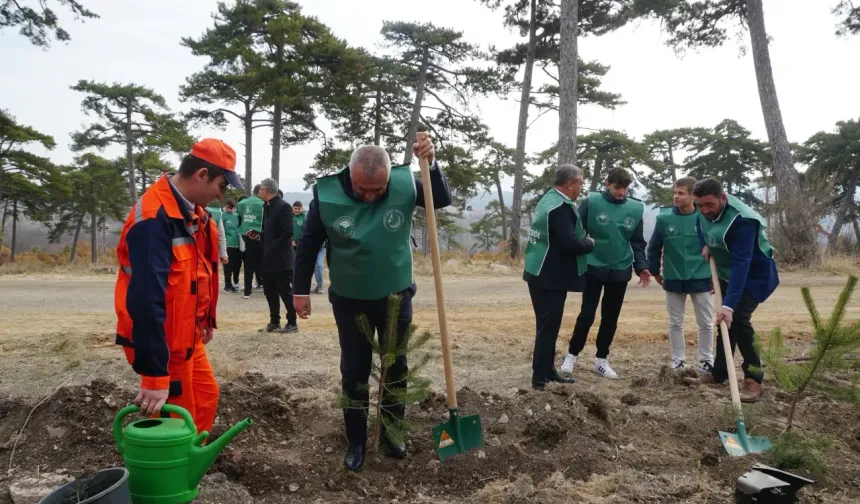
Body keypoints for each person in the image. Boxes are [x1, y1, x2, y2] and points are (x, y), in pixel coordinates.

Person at [292, 135, 451, 472]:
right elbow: (309, 243)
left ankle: (393, 432)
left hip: (395, 294)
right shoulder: (328, 193)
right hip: (350, 299)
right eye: (362, 189)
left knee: (395, 366)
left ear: (389, 177)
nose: (369, 196)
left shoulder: (406, 183)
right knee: (354, 371)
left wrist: (432, 165)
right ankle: (356, 441)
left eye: (377, 190)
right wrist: (300, 290)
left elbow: (440, 200)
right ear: (350, 176)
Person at [114, 138, 244, 432]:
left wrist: (205, 320)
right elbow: (145, 301)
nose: (221, 196)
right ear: (201, 175)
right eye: (221, 186)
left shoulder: (193, 214)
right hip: (164, 344)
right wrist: (155, 376)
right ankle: (173, 475)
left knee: (206, 396)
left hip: (187, 335)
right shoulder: (152, 220)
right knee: (176, 420)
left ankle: (194, 468)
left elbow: (195, 275)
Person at [685, 179, 778, 403]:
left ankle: (754, 378)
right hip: (728, 273)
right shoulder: (702, 211)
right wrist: (705, 246)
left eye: (710, 205)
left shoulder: (743, 221)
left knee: (738, 320)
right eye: (701, 205)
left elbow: (742, 264)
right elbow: (701, 229)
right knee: (725, 324)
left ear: (723, 198)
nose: (705, 210)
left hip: (754, 275)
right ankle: (719, 374)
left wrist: (729, 304)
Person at [560, 167, 650, 380]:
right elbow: (576, 231)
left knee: (611, 316)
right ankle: (571, 355)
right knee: (587, 314)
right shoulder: (591, 202)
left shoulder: (636, 208)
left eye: (625, 188)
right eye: (617, 187)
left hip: (620, 269)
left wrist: (642, 266)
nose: (621, 192)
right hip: (594, 266)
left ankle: (601, 360)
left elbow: (637, 242)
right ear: (607, 184)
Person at [523, 165, 594, 390]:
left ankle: (547, 369)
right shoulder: (561, 208)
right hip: (549, 277)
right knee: (548, 327)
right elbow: (568, 242)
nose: (581, 188)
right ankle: (539, 378)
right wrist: (589, 243)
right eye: (580, 183)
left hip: (538, 272)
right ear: (570, 183)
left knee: (547, 326)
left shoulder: (549, 199)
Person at [646, 177, 714, 373]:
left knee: (706, 322)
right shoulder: (664, 218)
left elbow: (715, 246)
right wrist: (655, 271)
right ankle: (678, 361)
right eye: (675, 192)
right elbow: (654, 248)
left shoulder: (704, 217)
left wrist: (715, 278)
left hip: (701, 277)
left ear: (692, 195)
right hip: (673, 277)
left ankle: (706, 361)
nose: (676, 196)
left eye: (681, 193)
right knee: (675, 322)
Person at [254, 178, 298, 334]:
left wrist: (272, 247)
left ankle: (292, 322)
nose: (259, 192)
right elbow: (271, 231)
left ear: (266, 190)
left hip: (281, 258)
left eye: (260, 190)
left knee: (284, 291)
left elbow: (288, 232)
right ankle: (274, 322)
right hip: (268, 258)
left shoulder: (283, 206)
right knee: (269, 291)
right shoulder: (267, 207)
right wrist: (259, 235)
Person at [236, 185, 265, 299]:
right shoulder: (262, 203)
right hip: (259, 235)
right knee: (262, 263)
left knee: (249, 264)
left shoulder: (243, 202)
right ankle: (265, 289)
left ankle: (247, 292)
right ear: (259, 191)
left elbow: (240, 214)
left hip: (246, 234)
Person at [222, 199, 242, 293]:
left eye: (231, 208)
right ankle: (227, 285)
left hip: (237, 244)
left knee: (236, 265)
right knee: (227, 266)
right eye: (228, 208)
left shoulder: (237, 215)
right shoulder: (223, 216)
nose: (229, 210)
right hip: (227, 244)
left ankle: (235, 283)